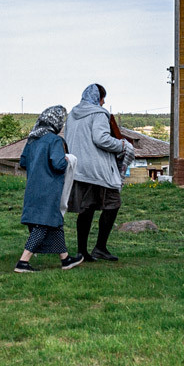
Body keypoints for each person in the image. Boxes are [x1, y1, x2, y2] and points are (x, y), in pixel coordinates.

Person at [65, 83, 132, 262]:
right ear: (98, 98)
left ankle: (82, 251)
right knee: (113, 203)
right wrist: (122, 145)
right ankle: (100, 247)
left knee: (86, 209)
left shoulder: (72, 114)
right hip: (98, 169)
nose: (103, 102)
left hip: (78, 168)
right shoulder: (99, 114)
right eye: (103, 98)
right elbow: (101, 139)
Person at [14, 105, 79, 272]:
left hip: (33, 187)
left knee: (55, 223)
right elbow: (58, 165)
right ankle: (23, 262)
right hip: (49, 189)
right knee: (42, 224)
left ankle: (65, 260)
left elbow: (23, 162)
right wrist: (68, 159)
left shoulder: (32, 140)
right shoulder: (54, 140)